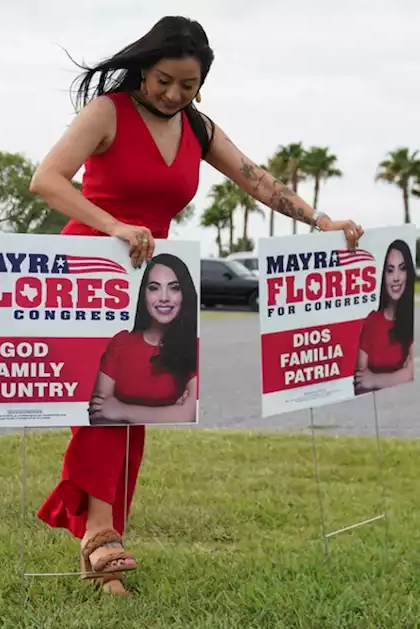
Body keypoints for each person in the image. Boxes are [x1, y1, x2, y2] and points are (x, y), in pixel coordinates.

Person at [28, 15, 365, 598]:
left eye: (188, 86)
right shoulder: (108, 111)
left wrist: (320, 221)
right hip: (94, 263)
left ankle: (100, 541)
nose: (173, 95)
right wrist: (113, 225)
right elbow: (47, 180)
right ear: (143, 69)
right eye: (164, 81)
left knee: (138, 408)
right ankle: (102, 538)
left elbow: (257, 180)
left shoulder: (198, 129)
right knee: (113, 400)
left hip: (156, 274)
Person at [88, 253, 199, 426]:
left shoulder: (194, 347)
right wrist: (169, 413)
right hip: (117, 441)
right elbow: (99, 414)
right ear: (144, 295)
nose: (164, 297)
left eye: (174, 288)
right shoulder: (121, 343)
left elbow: (189, 414)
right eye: (154, 288)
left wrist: (121, 410)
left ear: (185, 294)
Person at [353, 239, 415, 394]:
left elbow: (412, 373)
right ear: (384, 276)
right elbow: (361, 381)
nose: (396, 277)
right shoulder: (372, 321)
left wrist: (375, 379)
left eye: (402, 269)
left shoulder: (414, 319)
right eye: (390, 270)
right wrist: (399, 375)